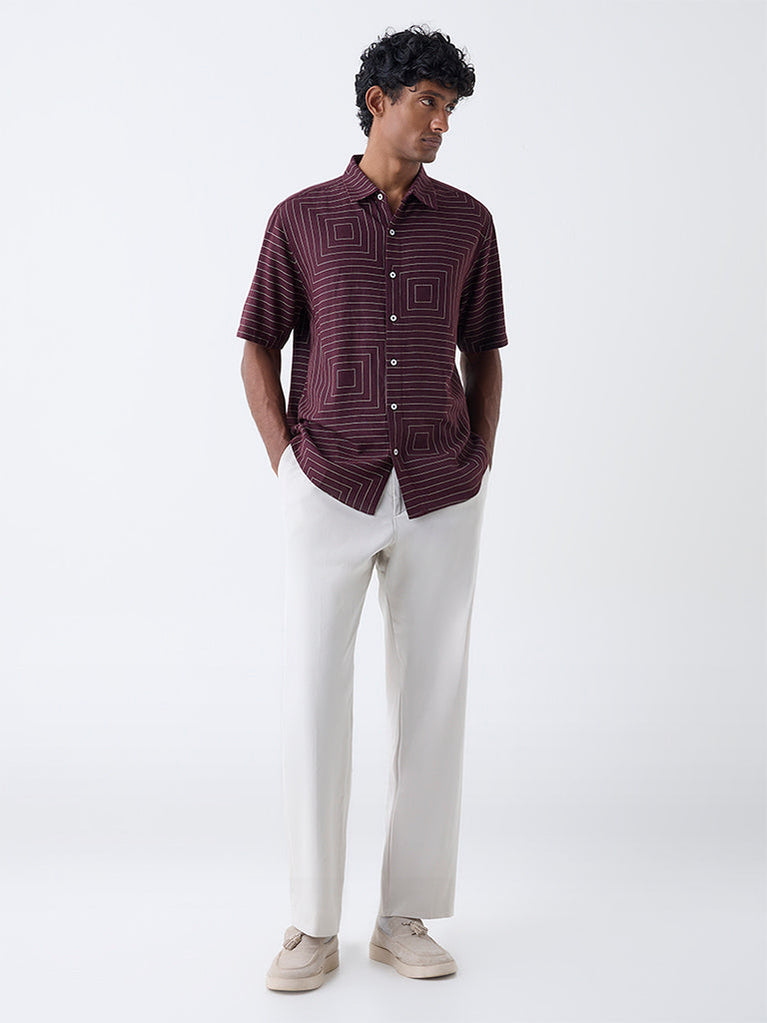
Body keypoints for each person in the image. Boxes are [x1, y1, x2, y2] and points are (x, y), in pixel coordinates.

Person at [237, 24, 508, 991]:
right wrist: (287, 466)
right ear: (376, 102)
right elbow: (258, 344)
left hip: (440, 488)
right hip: (328, 482)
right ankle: (312, 924)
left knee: (432, 700)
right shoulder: (300, 219)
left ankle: (403, 918)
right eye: (428, 102)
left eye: (450, 108)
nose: (441, 123)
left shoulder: (468, 223)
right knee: (314, 695)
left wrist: (478, 458)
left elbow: (484, 349)